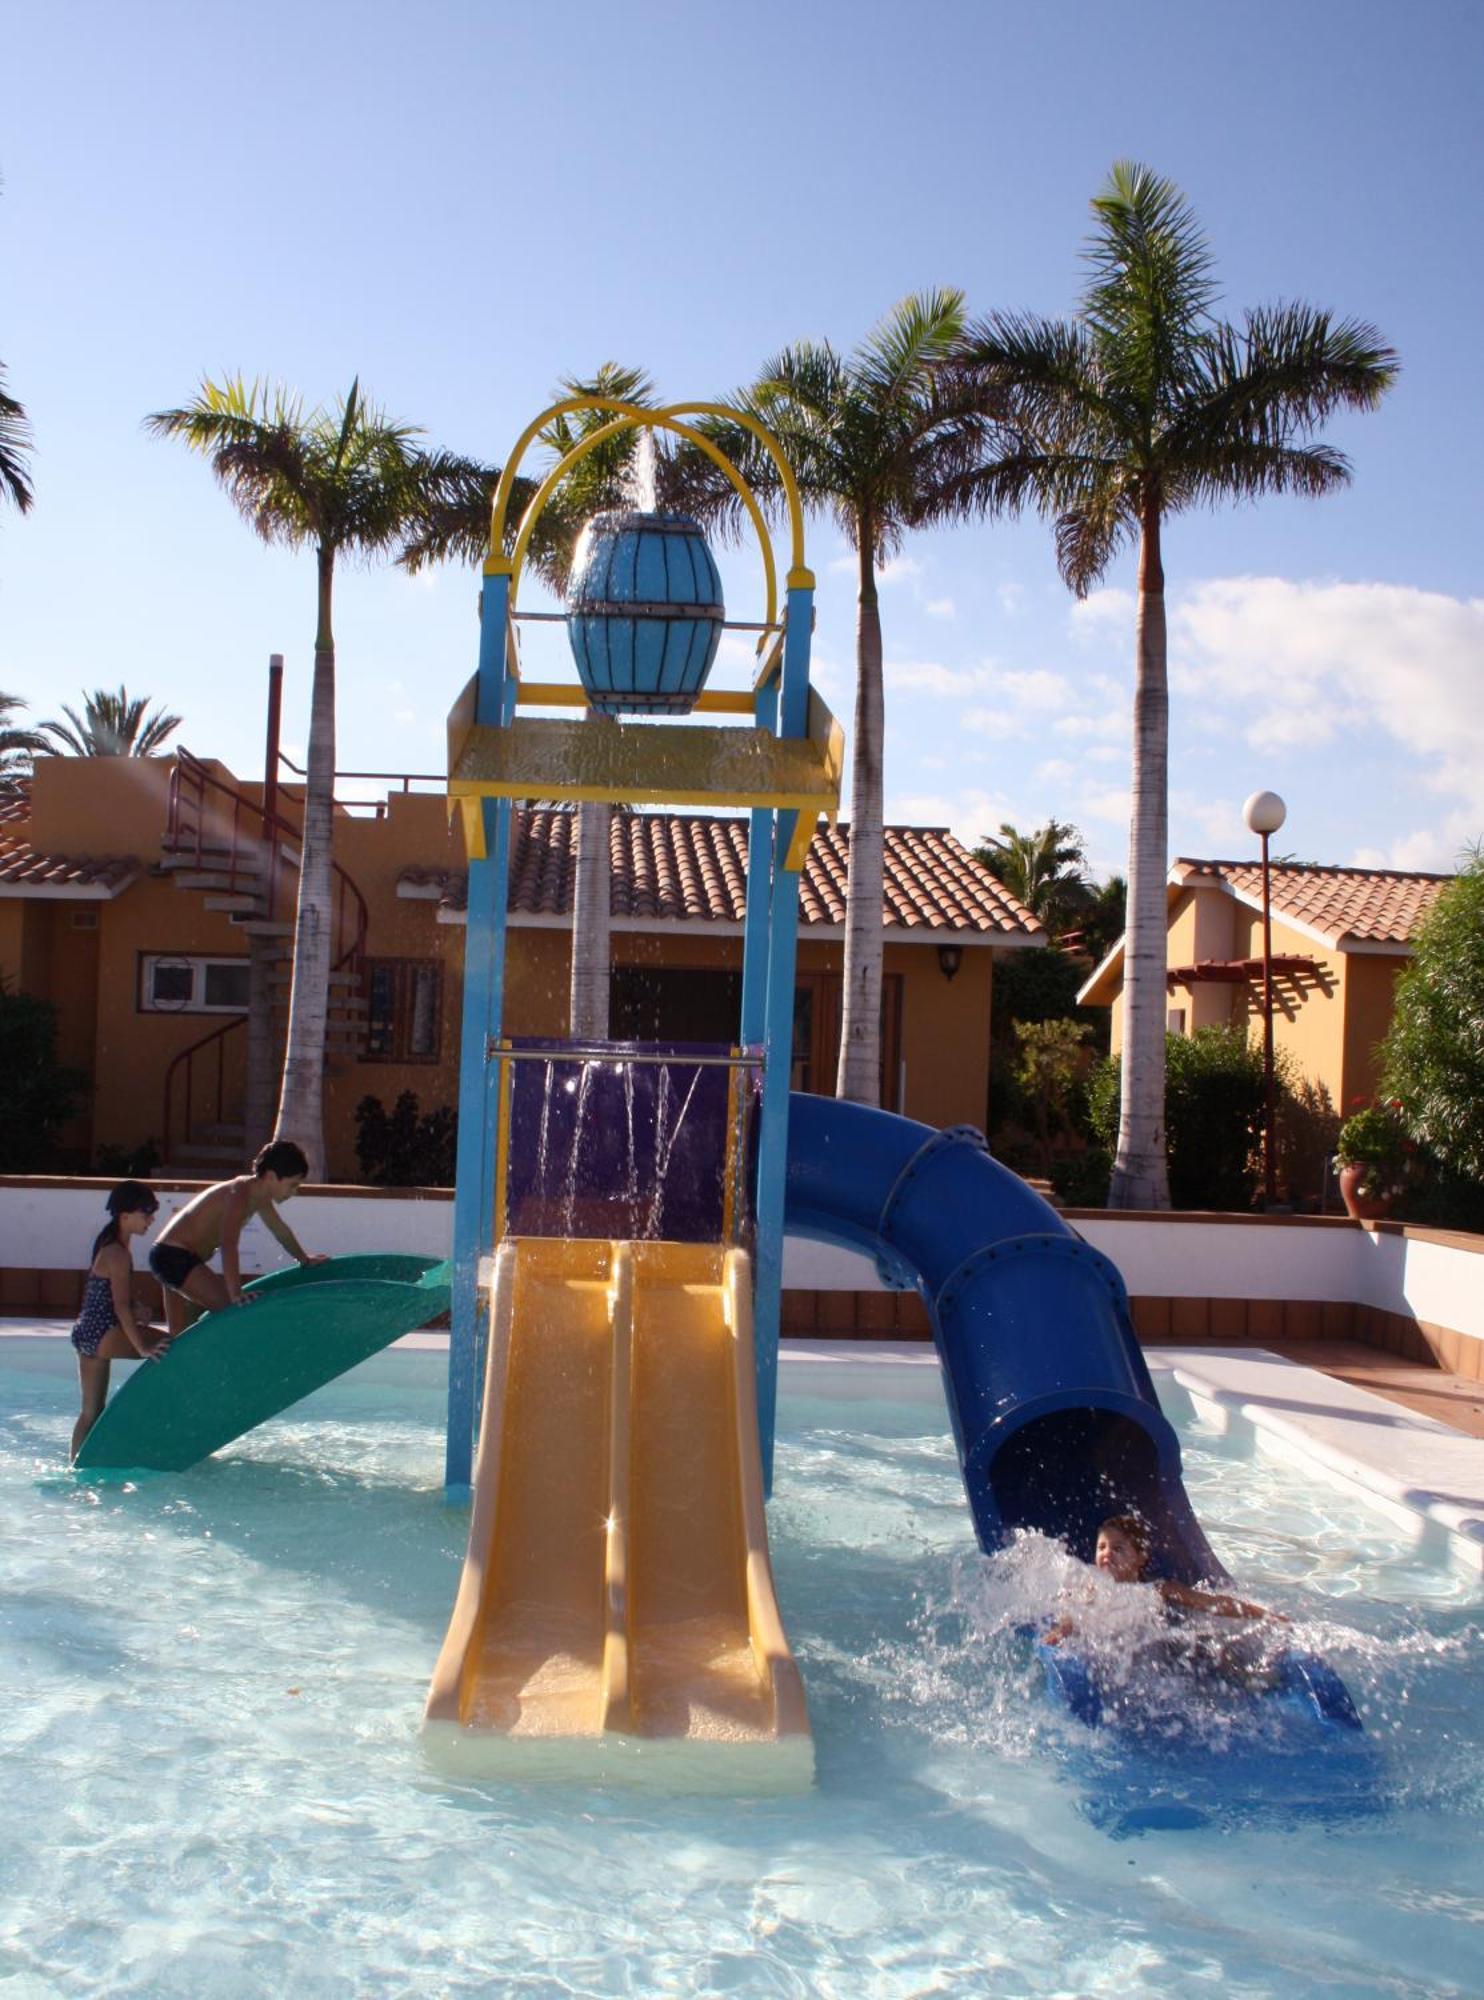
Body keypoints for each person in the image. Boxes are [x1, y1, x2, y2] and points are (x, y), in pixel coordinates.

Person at [1044, 1513, 1287, 1681]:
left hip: (1163, 1649)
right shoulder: (1091, 1586)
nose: (1107, 1554)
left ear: (1140, 1558)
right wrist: (1061, 1631)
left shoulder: (1159, 1589)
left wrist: (1263, 1614)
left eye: (1118, 1549)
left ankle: (1247, 1678)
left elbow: (1211, 1604)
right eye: (1102, 1547)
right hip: (1117, 1654)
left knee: (1210, 1646)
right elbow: (1072, 1613)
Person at [148, 1139, 328, 1337]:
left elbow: (281, 1231)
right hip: (174, 1256)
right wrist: (235, 1294)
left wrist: (304, 1259)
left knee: (180, 1336)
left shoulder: (260, 1198)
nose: (294, 1193)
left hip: (170, 1256)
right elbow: (228, 1243)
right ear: (270, 1176)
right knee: (234, 1312)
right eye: (292, 1185)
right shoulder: (239, 1192)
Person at [71, 1181, 172, 1458]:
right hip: (103, 1333)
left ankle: (75, 1467)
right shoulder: (117, 1253)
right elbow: (120, 1306)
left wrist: (137, 1309)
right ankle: (164, 1421)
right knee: (174, 1346)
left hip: (85, 1334)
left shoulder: (108, 1246)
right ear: (124, 1216)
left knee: (91, 1412)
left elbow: (112, 1300)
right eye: (146, 1212)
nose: (151, 1219)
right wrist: (142, 1347)